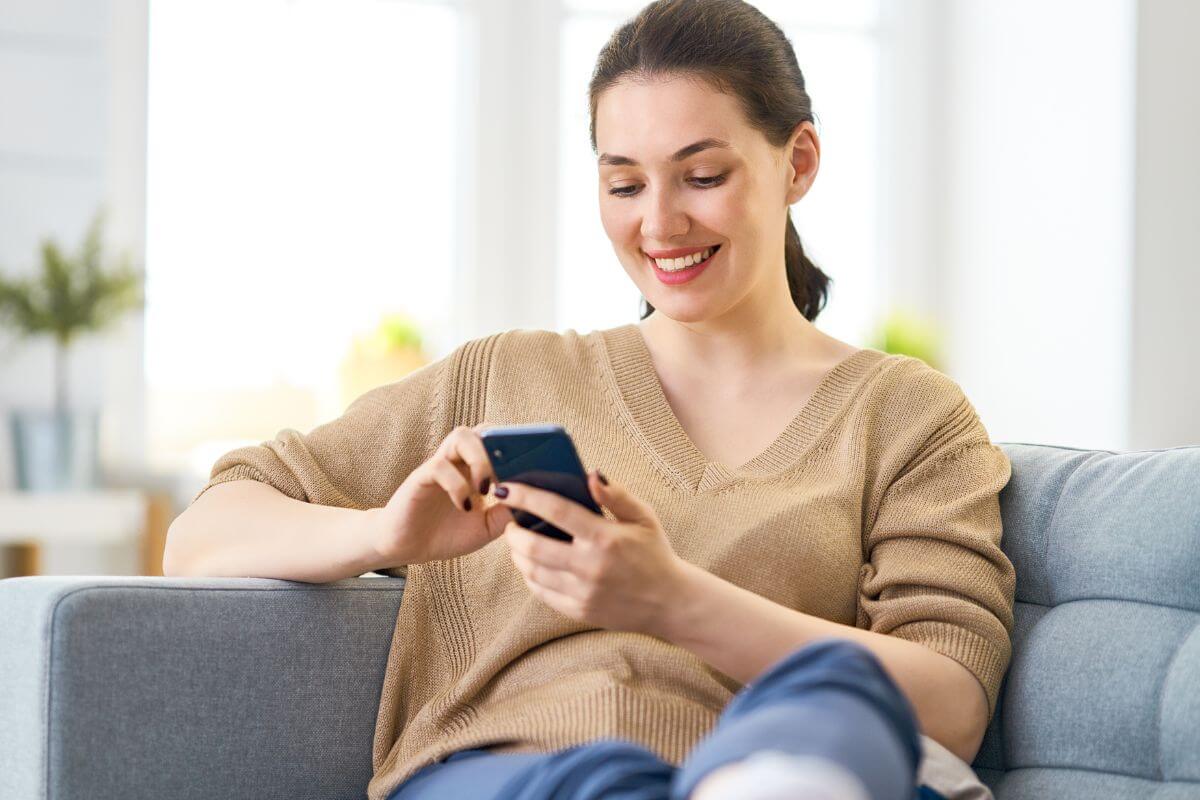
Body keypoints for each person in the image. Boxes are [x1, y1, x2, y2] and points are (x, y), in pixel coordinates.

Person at [164, 1, 1014, 798]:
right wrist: (384, 530)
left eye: (703, 175)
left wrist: (670, 599)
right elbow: (202, 534)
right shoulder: (506, 377)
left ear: (798, 163)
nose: (661, 224)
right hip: (515, 774)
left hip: (749, 762)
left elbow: (953, 702)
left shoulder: (908, 416)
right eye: (625, 186)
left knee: (835, 696)